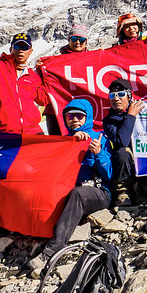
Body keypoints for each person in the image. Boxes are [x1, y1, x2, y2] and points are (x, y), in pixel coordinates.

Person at [27, 99, 112, 277]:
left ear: (87, 118)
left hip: (97, 191)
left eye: (79, 116)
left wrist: (99, 154)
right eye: (70, 117)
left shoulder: (99, 138)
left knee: (78, 194)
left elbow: (109, 175)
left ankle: (52, 250)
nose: (74, 120)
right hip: (69, 192)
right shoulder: (63, 141)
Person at [102, 79, 145, 206]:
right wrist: (131, 116)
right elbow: (121, 142)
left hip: (144, 161)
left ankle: (142, 189)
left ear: (129, 96)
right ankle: (122, 192)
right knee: (122, 152)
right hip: (124, 163)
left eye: (120, 94)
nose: (116, 99)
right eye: (112, 96)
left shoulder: (144, 112)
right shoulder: (109, 121)